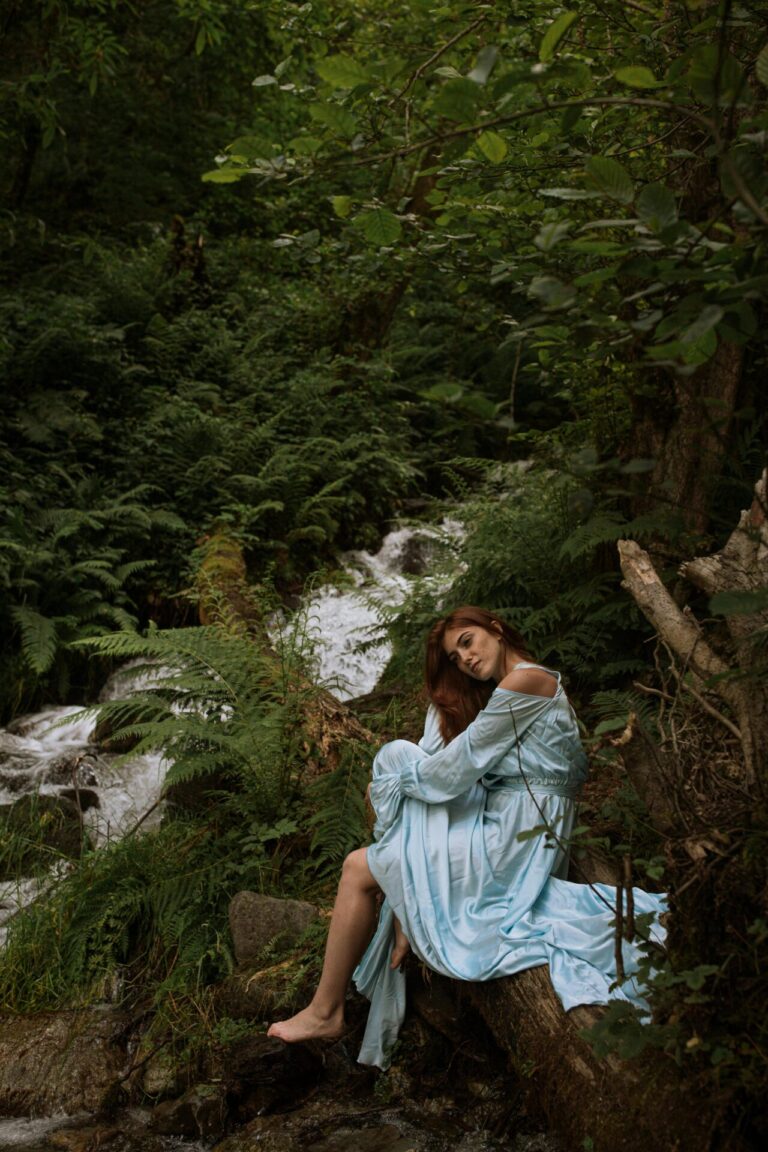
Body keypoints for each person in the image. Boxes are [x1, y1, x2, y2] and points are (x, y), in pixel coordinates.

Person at [268, 606, 666, 1068]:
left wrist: (396, 777)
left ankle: (326, 1009)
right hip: (512, 824)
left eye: (468, 642)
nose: (465, 659)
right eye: (455, 658)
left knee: (364, 852)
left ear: (495, 629)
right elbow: (456, 761)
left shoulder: (527, 682)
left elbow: (457, 770)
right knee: (398, 778)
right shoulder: (507, 689)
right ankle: (393, 925)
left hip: (519, 837)